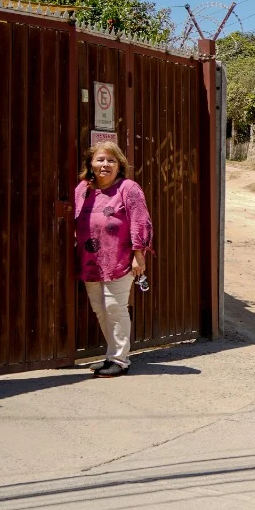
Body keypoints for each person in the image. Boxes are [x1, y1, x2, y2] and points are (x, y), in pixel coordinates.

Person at [74, 140, 152, 377]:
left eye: (111, 160)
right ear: (91, 164)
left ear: (120, 165)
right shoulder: (82, 189)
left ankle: (120, 359)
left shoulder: (128, 189)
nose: (105, 164)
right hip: (90, 260)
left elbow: (140, 221)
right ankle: (112, 355)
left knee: (114, 307)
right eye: (100, 159)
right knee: (100, 309)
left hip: (120, 260)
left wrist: (139, 255)